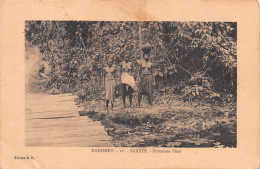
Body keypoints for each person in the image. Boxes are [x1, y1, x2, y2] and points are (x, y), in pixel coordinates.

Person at [137, 43, 155, 108]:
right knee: (140, 91)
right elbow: (139, 71)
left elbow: (152, 73)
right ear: (144, 56)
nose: (146, 56)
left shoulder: (151, 64)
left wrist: (154, 81)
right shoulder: (141, 62)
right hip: (142, 78)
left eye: (147, 55)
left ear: (149, 56)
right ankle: (138, 104)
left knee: (149, 92)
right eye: (145, 55)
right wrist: (138, 79)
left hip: (149, 78)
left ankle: (149, 104)